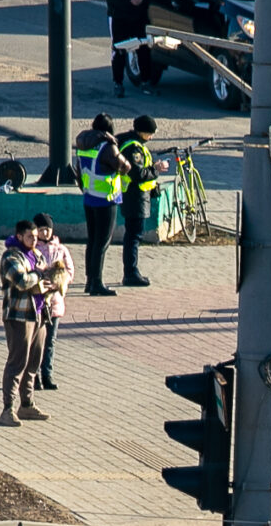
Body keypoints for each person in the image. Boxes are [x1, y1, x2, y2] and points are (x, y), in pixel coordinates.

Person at [0, 219, 53, 427]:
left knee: (34, 362)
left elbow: (45, 274)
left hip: (38, 314)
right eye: (30, 237)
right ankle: (7, 409)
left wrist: (48, 280)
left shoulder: (36, 254)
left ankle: (27, 404)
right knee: (17, 362)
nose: (35, 240)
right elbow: (21, 282)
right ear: (19, 236)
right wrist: (38, 275)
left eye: (37, 237)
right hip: (18, 316)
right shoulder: (11, 257)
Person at [75, 112, 132, 297]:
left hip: (89, 197)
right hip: (105, 199)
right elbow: (125, 167)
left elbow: (78, 170)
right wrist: (115, 146)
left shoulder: (83, 144)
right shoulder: (108, 147)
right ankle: (97, 283)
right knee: (102, 242)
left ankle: (90, 280)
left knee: (92, 240)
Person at [98, 0, 158, 99]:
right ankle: (118, 83)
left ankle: (145, 81)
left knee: (144, 47)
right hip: (118, 14)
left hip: (138, 15)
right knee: (119, 50)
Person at [116, 115, 170, 288]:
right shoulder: (132, 148)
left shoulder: (136, 145)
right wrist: (157, 169)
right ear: (141, 131)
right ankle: (131, 273)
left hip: (138, 196)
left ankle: (132, 271)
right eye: (150, 133)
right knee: (133, 236)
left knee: (134, 235)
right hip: (134, 197)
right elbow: (138, 174)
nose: (151, 137)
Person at [31, 213, 75, 389]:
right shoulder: (33, 250)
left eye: (47, 229)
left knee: (50, 342)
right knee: (35, 342)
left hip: (55, 303)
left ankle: (47, 374)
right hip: (38, 303)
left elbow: (70, 272)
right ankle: (33, 376)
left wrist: (58, 283)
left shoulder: (61, 250)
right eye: (41, 230)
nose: (45, 233)